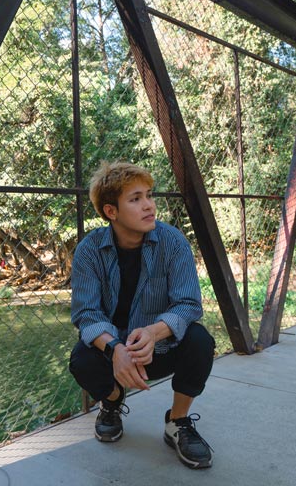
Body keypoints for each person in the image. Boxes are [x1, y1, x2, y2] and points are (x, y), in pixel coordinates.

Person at [68, 161, 215, 469]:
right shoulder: (89, 250)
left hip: (158, 348)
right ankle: (112, 402)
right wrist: (115, 349)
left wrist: (153, 332)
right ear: (111, 211)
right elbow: (86, 313)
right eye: (135, 199)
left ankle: (177, 421)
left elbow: (188, 304)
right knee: (81, 358)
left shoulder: (173, 242)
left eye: (149, 195)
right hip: (114, 354)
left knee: (200, 341)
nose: (149, 205)